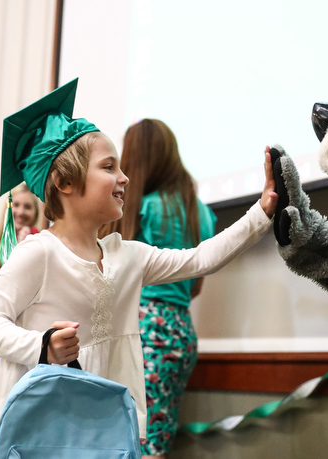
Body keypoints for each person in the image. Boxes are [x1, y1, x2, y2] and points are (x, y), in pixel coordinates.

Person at [0, 78, 277, 459]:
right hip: (30, 429)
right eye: (109, 167)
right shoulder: (39, 253)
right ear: (64, 181)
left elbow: (201, 258)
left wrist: (261, 213)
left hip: (93, 428)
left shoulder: (128, 256)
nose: (124, 178)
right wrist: (41, 345)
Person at [99, 119, 215, 458]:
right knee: (155, 441)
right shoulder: (203, 213)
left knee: (127, 438)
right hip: (180, 330)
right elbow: (194, 286)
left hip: (143, 329)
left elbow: (114, 273)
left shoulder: (144, 208)